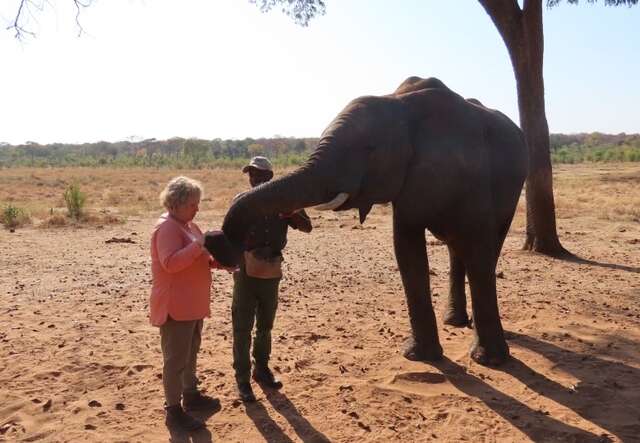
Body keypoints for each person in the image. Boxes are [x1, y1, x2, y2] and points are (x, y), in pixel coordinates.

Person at [150, 176, 228, 431]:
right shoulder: (167, 228)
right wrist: (200, 245)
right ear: (177, 203)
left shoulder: (187, 225)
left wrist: (218, 262)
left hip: (191, 305)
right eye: (193, 203)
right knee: (175, 360)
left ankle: (190, 395)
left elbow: (200, 256)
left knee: (190, 352)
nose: (197, 208)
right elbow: (170, 263)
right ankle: (174, 410)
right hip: (176, 305)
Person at [232, 156, 312, 402]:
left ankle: (262, 369)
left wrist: (291, 214)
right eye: (251, 174)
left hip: (271, 269)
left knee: (265, 325)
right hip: (246, 270)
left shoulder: (286, 202)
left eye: (258, 174)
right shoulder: (242, 202)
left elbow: (307, 226)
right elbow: (229, 234)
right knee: (242, 327)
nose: (253, 178)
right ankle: (243, 380)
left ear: (270, 177)